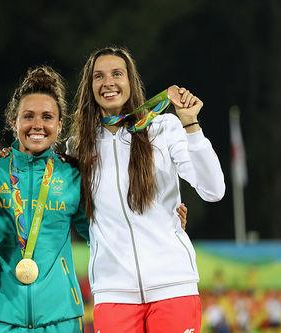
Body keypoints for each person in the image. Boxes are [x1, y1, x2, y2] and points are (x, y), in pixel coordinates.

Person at [69, 46, 225, 333]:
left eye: (117, 74)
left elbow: (213, 189)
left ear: (131, 81)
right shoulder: (78, 146)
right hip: (113, 291)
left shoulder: (164, 128)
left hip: (172, 285)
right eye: (99, 76)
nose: (109, 83)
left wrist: (190, 124)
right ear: (89, 87)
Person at [0, 66, 89, 333]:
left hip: (61, 316)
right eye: (28, 116)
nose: (37, 125)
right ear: (14, 121)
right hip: (1, 315)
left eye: (47, 117)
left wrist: (163, 221)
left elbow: (102, 231)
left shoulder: (72, 174)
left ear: (59, 125)